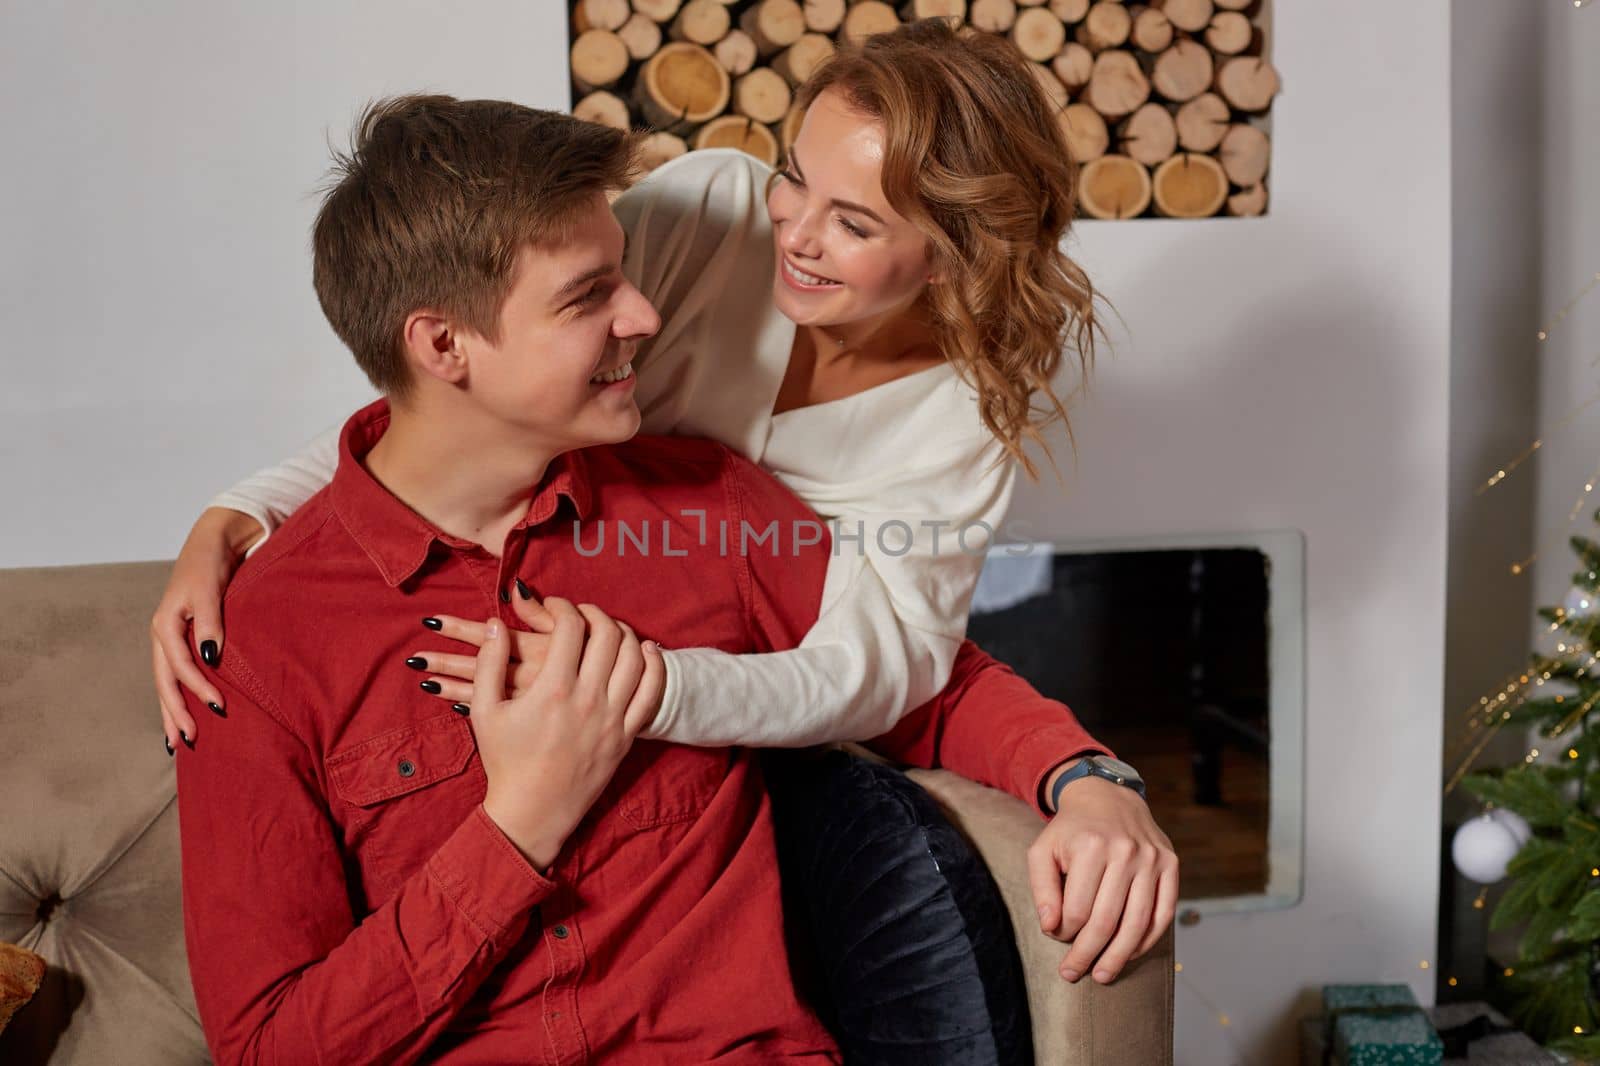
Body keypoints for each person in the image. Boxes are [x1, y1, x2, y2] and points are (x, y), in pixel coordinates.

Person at [174, 94, 1172, 1063]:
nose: (649, 314)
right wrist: (521, 821)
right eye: (588, 295)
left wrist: (1089, 782)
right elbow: (270, 1046)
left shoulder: (704, 506)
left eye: (624, 273)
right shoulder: (258, 634)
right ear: (442, 344)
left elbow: (914, 671)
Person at [152, 19, 1103, 755]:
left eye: (852, 222)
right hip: (539, 638)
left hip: (716, 711)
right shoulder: (717, 211)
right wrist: (248, 507)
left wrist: (650, 689)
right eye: (794, 177)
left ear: (949, 258)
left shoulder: (966, 407)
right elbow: (486, 368)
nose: (797, 232)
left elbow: (890, 664)